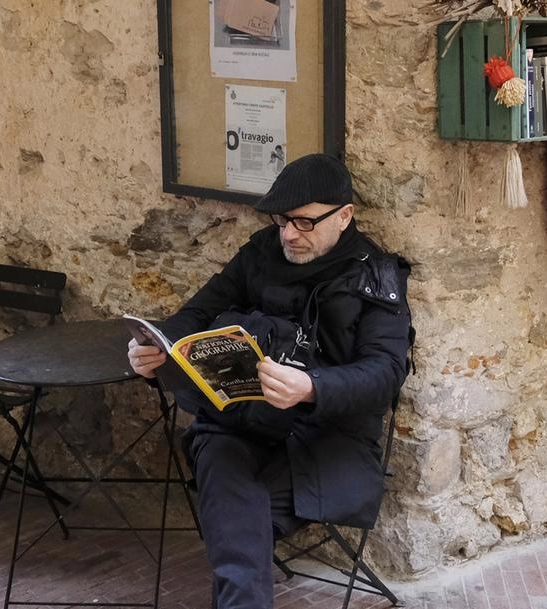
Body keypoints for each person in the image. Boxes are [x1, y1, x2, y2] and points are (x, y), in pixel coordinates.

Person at [126, 153, 412, 609]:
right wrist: (158, 347)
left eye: (304, 222)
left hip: (323, 438)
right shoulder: (263, 252)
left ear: (344, 216)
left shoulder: (374, 276)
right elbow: (197, 312)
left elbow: (385, 373)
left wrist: (312, 387)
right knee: (221, 466)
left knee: (236, 517)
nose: (288, 234)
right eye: (281, 220)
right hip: (241, 422)